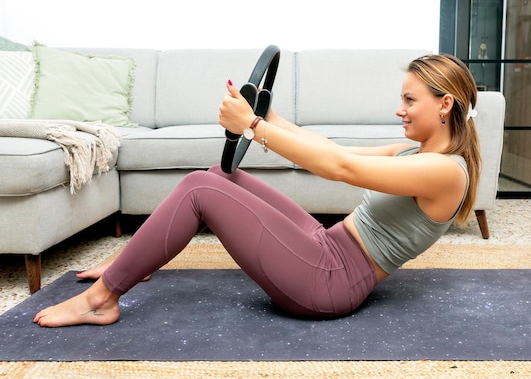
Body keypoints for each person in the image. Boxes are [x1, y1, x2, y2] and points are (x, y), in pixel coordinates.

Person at [33, 53, 481, 327]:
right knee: (218, 175)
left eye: (409, 100)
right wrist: (267, 115)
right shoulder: (415, 154)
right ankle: (139, 260)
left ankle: (102, 299)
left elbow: (340, 168)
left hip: (331, 282)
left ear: (444, 104)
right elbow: (331, 147)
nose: (398, 109)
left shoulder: (446, 172)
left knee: (199, 190)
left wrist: (251, 127)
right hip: (327, 246)